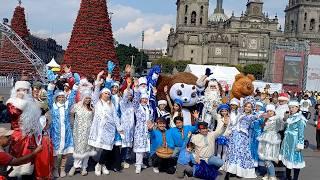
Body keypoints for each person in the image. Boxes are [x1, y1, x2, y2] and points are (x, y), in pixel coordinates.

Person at [88, 71, 122, 176]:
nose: (107, 95)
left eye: (108, 94)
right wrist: (98, 78)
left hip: (109, 130)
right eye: (105, 93)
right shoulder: (97, 102)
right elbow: (96, 91)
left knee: (107, 148)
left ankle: (100, 164)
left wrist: (120, 128)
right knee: (100, 148)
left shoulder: (111, 105)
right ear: (102, 94)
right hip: (99, 129)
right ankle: (101, 165)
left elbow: (116, 117)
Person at [6, 80, 42, 177]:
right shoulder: (11, 102)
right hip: (17, 136)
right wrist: (20, 101)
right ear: (15, 91)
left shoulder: (31, 103)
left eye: (25, 90)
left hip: (30, 136)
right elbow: (14, 113)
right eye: (19, 90)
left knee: (29, 162)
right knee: (16, 159)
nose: (22, 92)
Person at [47, 81, 78, 178]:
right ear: (56, 98)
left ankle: (62, 168)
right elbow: (49, 96)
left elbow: (72, 96)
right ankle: (55, 169)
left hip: (66, 132)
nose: (61, 99)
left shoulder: (67, 105)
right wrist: (51, 85)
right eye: (59, 97)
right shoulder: (53, 106)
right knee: (55, 153)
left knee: (65, 152)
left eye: (62, 97)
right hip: (56, 132)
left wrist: (75, 86)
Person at [224, 96, 258, 179]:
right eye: (246, 106)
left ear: (252, 108)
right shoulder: (240, 114)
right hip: (235, 135)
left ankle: (239, 171)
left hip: (243, 137)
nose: (247, 108)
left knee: (240, 154)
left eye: (249, 107)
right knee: (233, 153)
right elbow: (234, 123)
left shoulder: (252, 117)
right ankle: (230, 172)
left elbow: (256, 119)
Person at [69, 87, 96, 176]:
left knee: (87, 149)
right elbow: (71, 115)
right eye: (86, 98)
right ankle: (76, 166)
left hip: (89, 132)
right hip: (78, 132)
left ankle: (84, 167)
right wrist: (73, 125)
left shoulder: (92, 108)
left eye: (89, 98)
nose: (88, 100)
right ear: (83, 98)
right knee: (79, 149)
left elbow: (94, 119)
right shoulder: (76, 106)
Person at [279, 101, 307, 180]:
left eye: (293, 107)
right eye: (290, 107)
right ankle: (288, 177)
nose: (291, 109)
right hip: (287, 141)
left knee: (295, 160)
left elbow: (301, 133)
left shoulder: (300, 118)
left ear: (297, 108)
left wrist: (300, 144)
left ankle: (295, 178)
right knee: (287, 159)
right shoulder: (290, 117)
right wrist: (285, 118)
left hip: (295, 142)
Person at [132, 78, 154, 174]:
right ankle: (138, 165)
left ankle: (141, 163)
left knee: (145, 147)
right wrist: (136, 88)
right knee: (139, 149)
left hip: (147, 130)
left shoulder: (149, 108)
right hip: (139, 129)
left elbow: (151, 118)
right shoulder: (137, 107)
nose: (144, 100)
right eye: (143, 99)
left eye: (146, 99)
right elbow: (135, 100)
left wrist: (151, 124)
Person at [257, 104, 281, 180]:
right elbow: (263, 128)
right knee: (264, 157)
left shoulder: (277, 118)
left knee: (268, 158)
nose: (269, 112)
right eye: (268, 111)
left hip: (272, 139)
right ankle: (268, 173)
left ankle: (273, 175)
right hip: (265, 138)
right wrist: (264, 119)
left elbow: (280, 127)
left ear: (274, 111)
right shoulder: (266, 119)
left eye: (271, 111)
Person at [119, 79, 135, 169]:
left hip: (130, 127)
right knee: (123, 145)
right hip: (124, 127)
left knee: (128, 144)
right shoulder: (123, 102)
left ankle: (125, 158)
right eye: (128, 94)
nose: (129, 96)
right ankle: (122, 160)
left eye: (130, 95)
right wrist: (128, 87)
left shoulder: (131, 104)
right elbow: (125, 97)